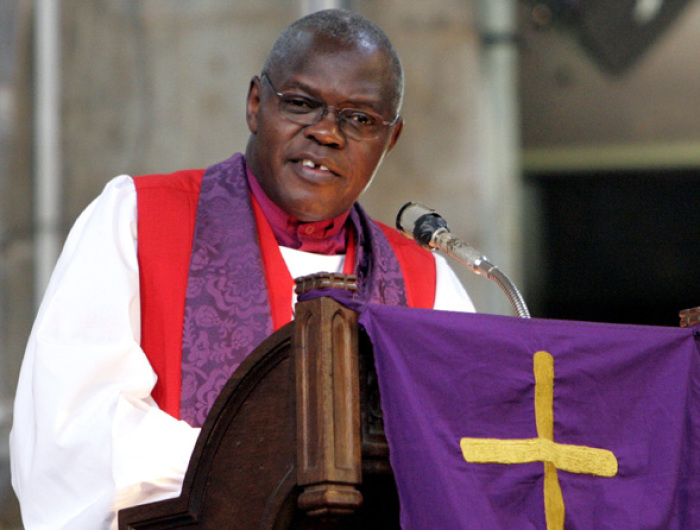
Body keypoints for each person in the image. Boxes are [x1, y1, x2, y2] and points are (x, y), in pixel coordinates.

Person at [10, 8, 475, 529]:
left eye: (359, 119)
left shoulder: (428, 282)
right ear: (257, 104)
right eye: (301, 104)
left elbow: (467, 465)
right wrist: (267, 469)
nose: (326, 133)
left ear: (390, 141)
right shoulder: (138, 221)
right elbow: (72, 435)